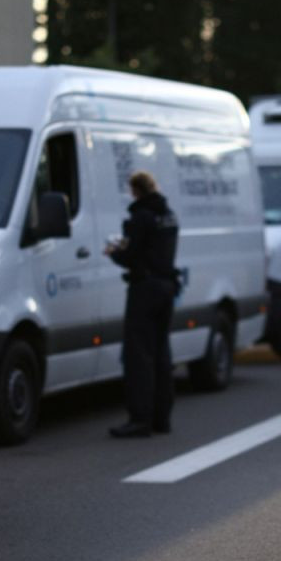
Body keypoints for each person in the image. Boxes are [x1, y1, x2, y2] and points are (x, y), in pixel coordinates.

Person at [105, 171, 179, 438]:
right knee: (161, 353)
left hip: (144, 289)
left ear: (136, 190)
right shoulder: (168, 215)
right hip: (167, 287)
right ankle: (162, 418)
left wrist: (114, 252)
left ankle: (140, 419)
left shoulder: (141, 217)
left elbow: (130, 255)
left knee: (139, 356)